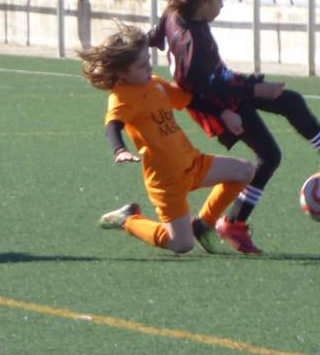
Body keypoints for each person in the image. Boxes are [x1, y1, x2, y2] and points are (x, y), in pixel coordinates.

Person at [148, 0, 320, 255]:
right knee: (269, 156)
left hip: (225, 86)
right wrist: (246, 98)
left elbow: (155, 37)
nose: (222, 4)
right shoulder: (191, 42)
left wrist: (131, 47)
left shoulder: (173, 14)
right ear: (203, 1)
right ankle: (233, 223)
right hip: (216, 104)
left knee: (291, 102)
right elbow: (203, 87)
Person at [80, 25, 255, 255]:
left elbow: (190, 101)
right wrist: (119, 149)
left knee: (245, 172)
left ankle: (203, 224)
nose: (149, 66)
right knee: (181, 244)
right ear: (121, 73)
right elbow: (112, 125)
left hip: (192, 163)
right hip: (166, 182)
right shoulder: (121, 97)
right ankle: (128, 220)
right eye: (141, 65)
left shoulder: (155, 84)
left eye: (148, 60)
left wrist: (223, 113)